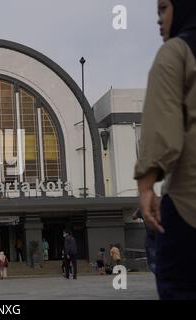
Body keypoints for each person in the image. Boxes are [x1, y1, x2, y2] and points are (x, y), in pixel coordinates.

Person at [134, 0, 196, 300]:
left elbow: (162, 126)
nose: (159, 20)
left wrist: (146, 186)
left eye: (163, 8)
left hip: (189, 202)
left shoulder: (176, 51)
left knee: (178, 283)